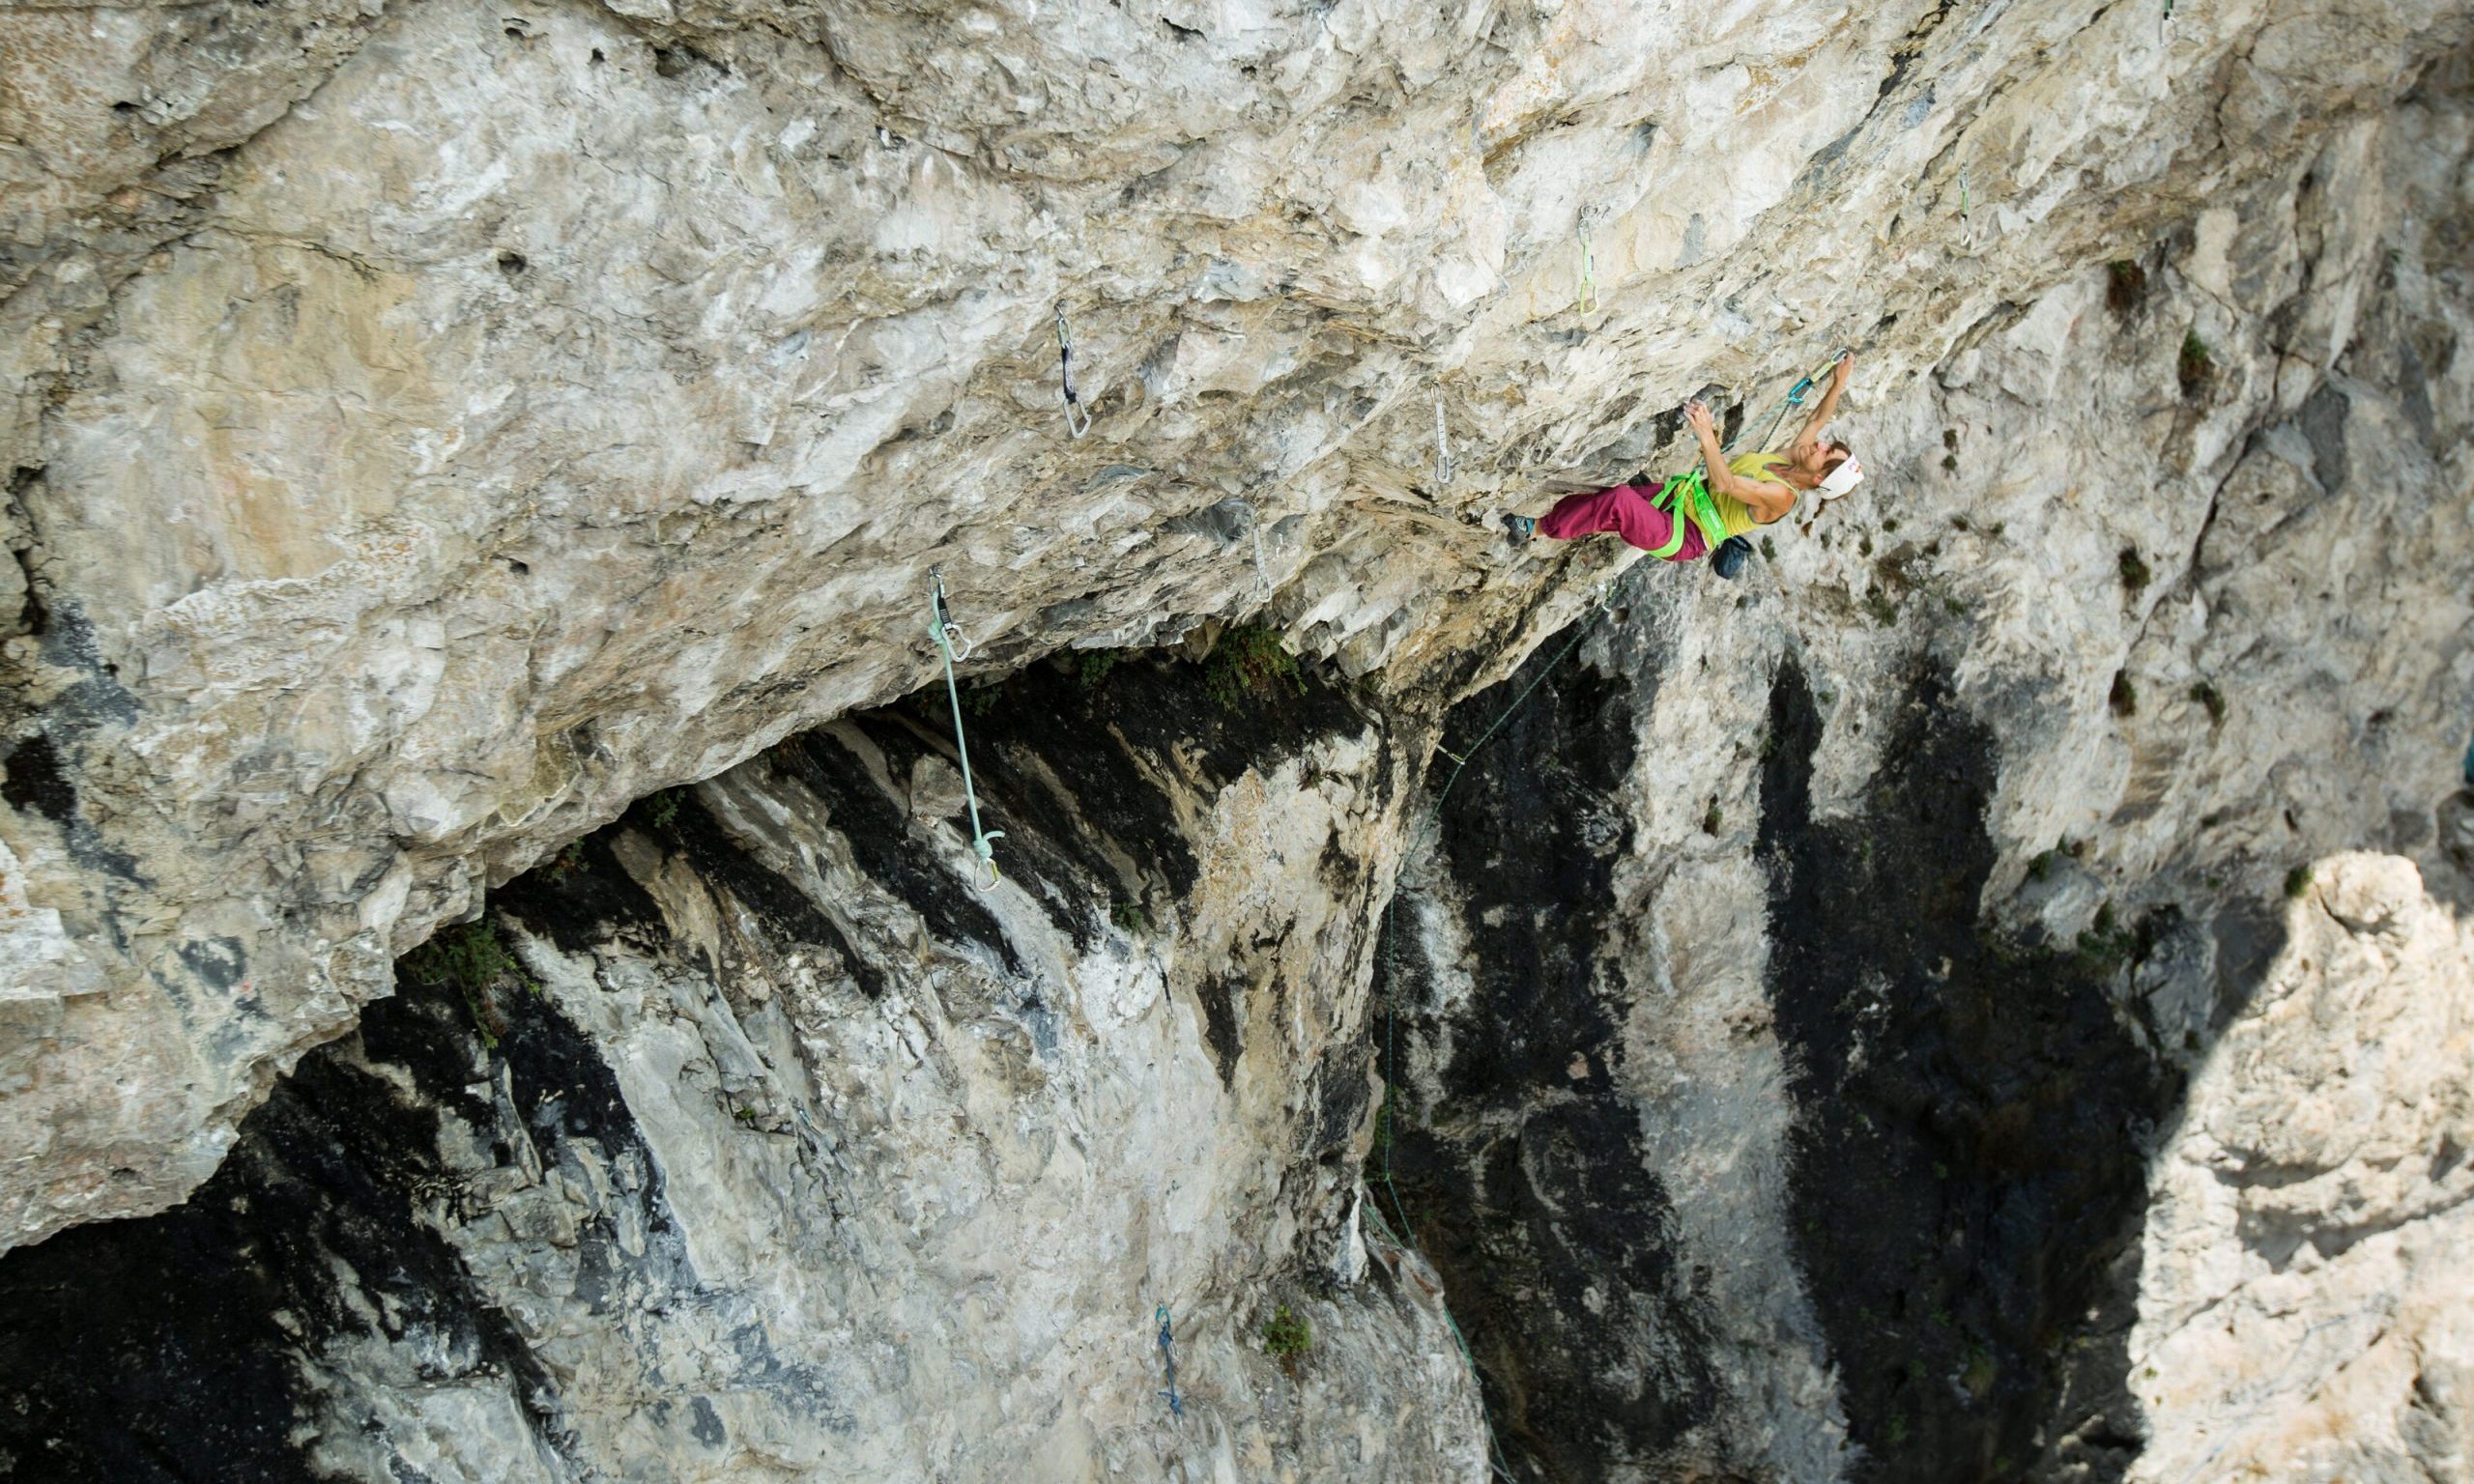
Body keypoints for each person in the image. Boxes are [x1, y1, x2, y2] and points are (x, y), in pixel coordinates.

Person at [1503, 353, 1862, 579]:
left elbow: (1726, 485)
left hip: (1685, 535)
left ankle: (1534, 527)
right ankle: (1538, 528)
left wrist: (1707, 435)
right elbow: (1817, 418)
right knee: (1604, 497)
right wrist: (1838, 382)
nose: (1820, 443)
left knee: (1619, 502)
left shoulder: (1782, 497)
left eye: (1826, 452)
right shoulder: (1792, 458)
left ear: (1818, 476)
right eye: (1828, 444)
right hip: (1678, 499)